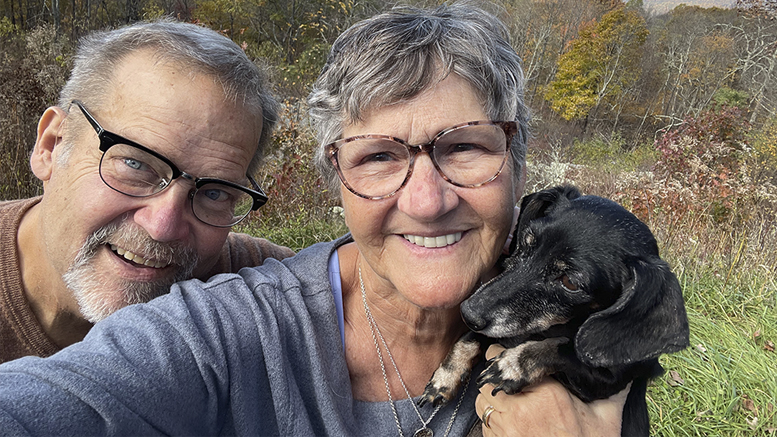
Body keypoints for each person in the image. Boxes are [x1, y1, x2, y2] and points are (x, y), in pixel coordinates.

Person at [0, 4, 627, 436]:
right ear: (338, 181)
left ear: (519, 168)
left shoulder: (589, 328)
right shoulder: (231, 325)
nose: (428, 200)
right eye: (378, 157)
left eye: (465, 147)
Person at [0, 20, 294, 364]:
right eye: (135, 165)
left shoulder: (256, 283)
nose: (163, 226)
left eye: (214, 193)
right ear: (51, 146)